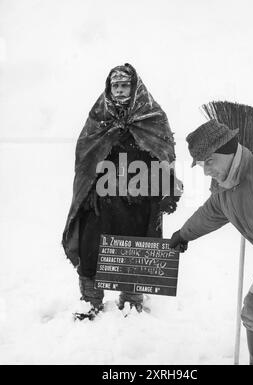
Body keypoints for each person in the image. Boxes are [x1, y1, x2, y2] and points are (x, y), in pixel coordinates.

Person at [170, 119, 253, 365]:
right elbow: (209, 214)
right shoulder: (226, 191)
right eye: (200, 164)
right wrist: (183, 234)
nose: (205, 171)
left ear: (228, 151)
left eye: (209, 161)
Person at [62, 63, 182, 320]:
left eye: (124, 85)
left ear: (134, 86)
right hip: (102, 198)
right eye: (114, 85)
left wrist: (166, 188)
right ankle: (90, 301)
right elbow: (85, 155)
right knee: (91, 245)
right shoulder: (98, 116)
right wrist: (87, 192)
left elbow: (165, 153)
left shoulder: (152, 116)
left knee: (137, 247)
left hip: (139, 197)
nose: (118, 90)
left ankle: (131, 301)